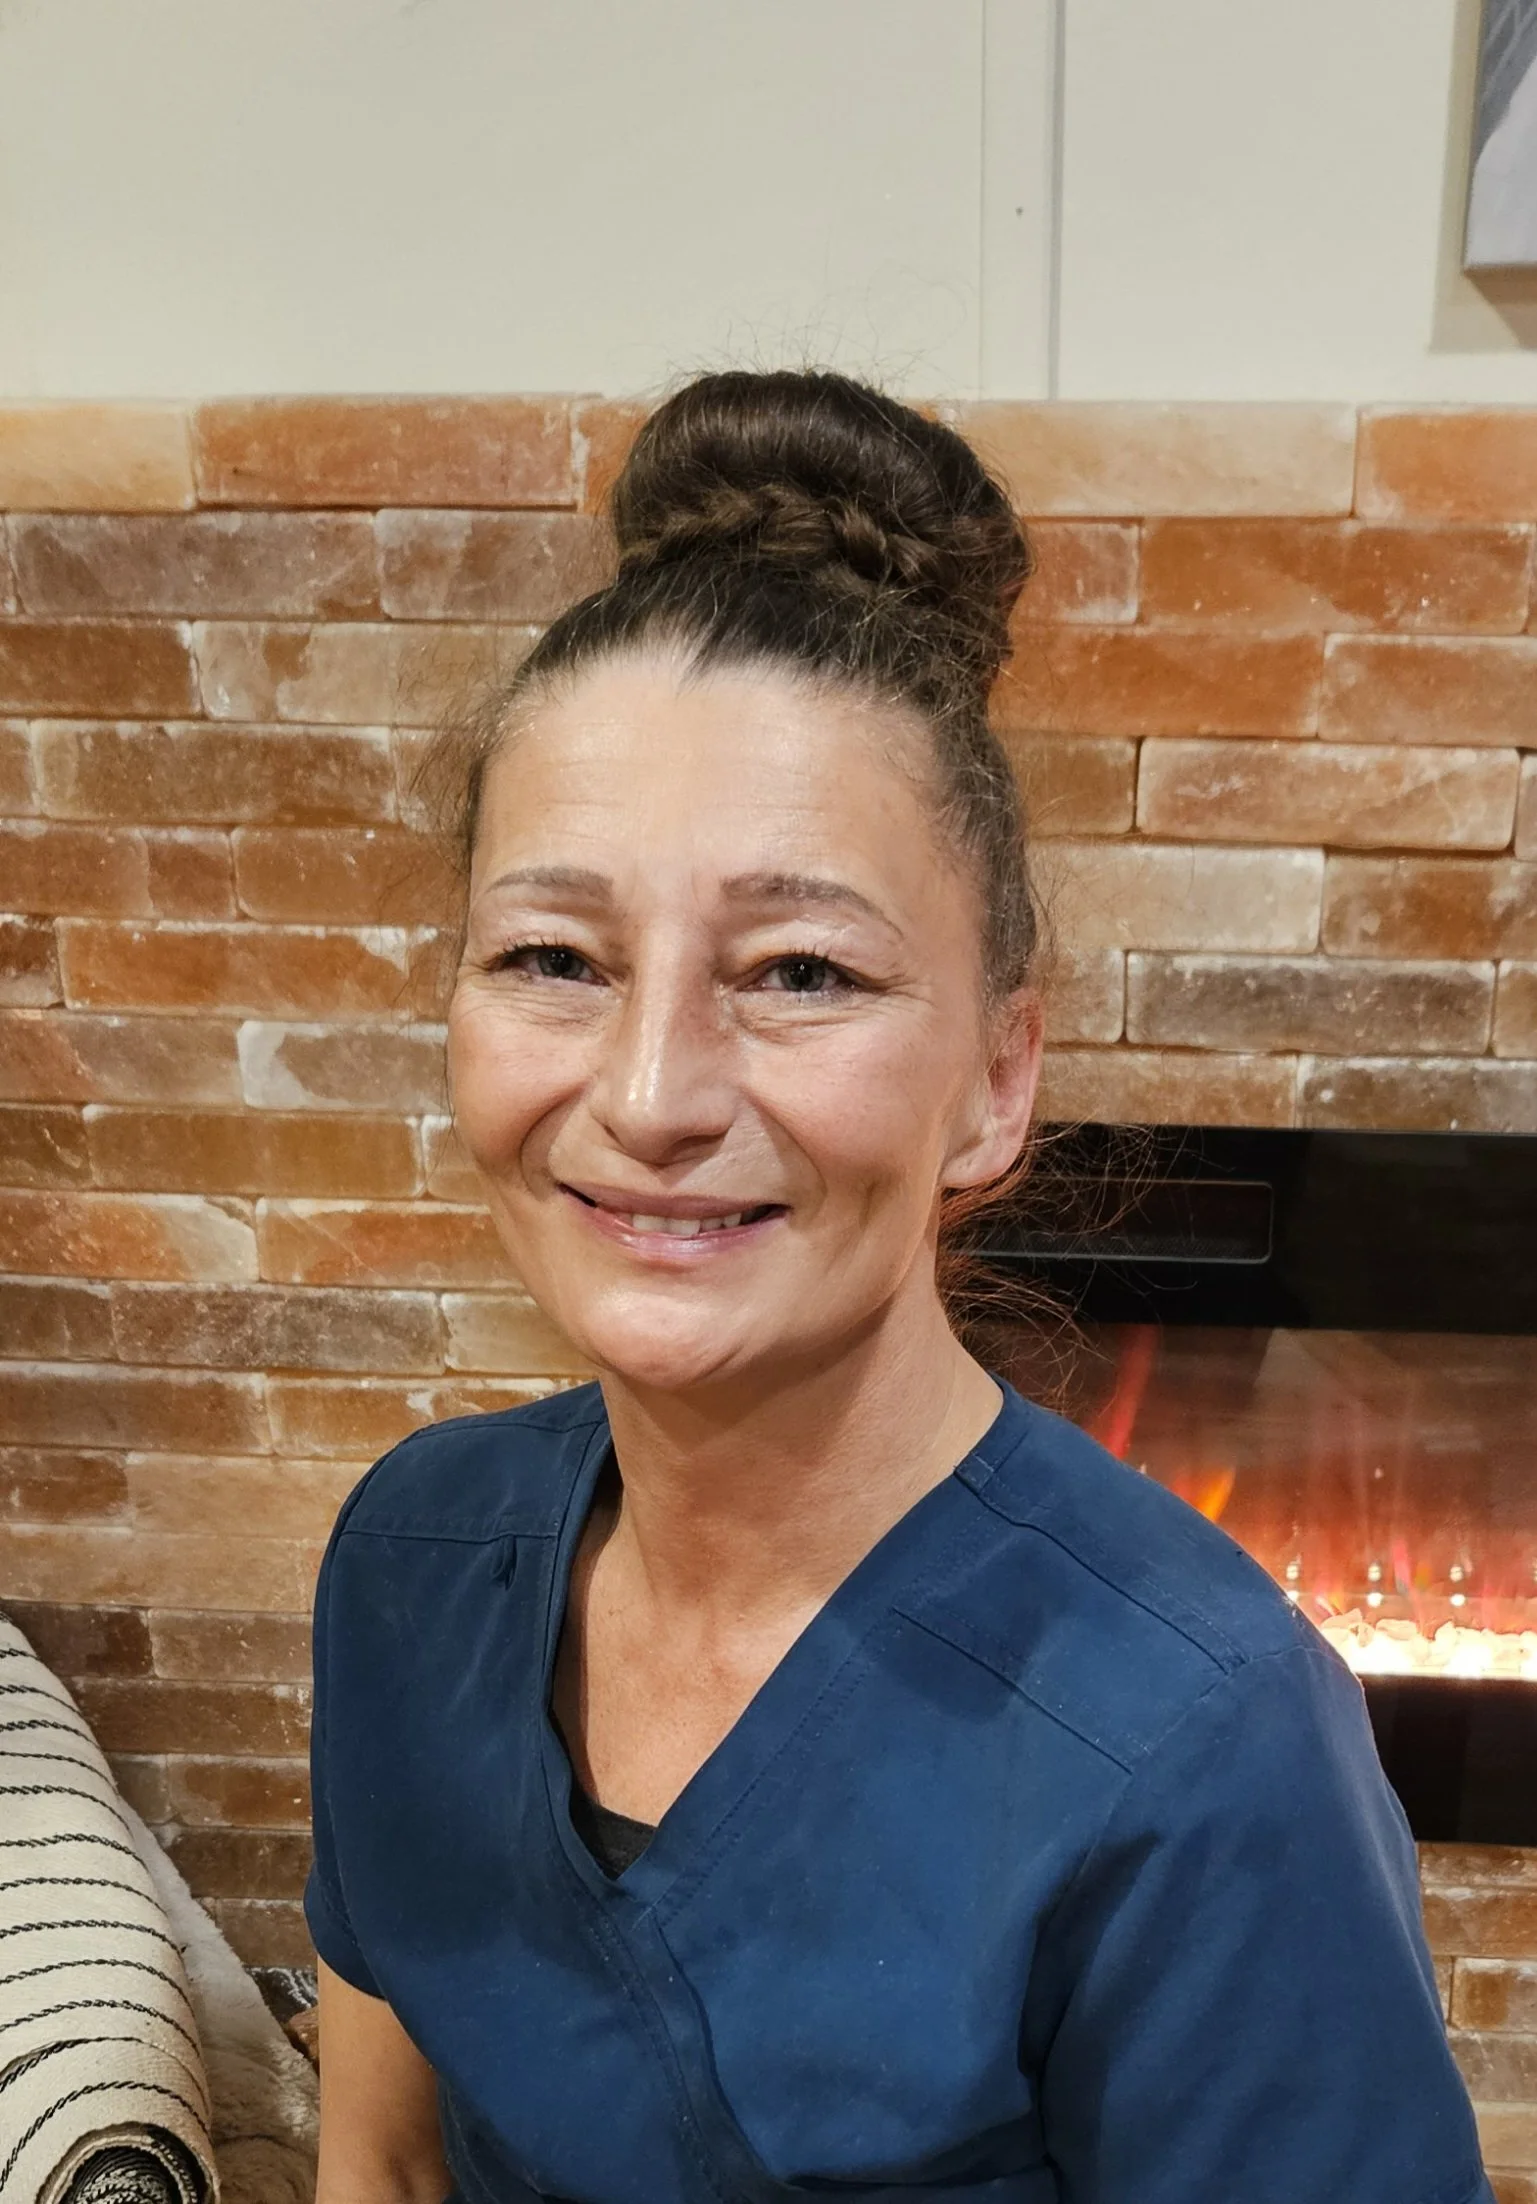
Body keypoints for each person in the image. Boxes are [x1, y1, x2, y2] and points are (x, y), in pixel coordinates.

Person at [306, 370, 1493, 2204]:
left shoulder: (1203, 1744)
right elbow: (380, 2162)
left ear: (998, 1081)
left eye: (800, 973)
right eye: (554, 956)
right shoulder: (413, 1566)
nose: (650, 1096)